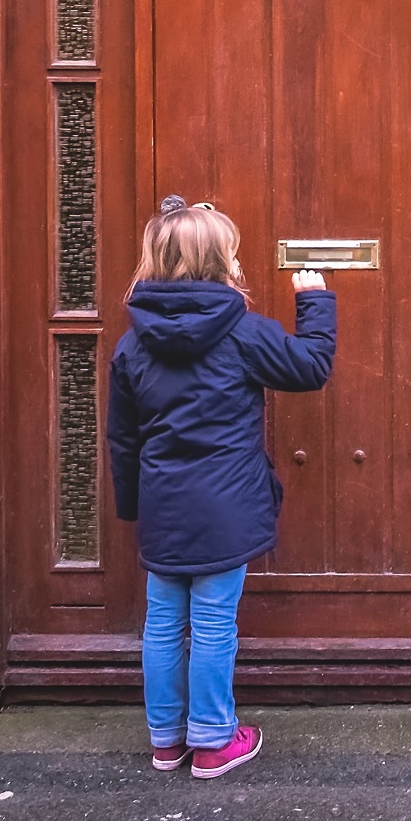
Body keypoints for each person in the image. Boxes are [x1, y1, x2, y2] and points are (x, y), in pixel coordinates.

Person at [107, 196, 337, 780]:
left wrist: (133, 505)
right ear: (221, 262)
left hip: (165, 505)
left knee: (162, 620)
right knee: (212, 623)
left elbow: (123, 438)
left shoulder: (132, 343)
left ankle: (166, 741)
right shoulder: (242, 331)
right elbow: (310, 367)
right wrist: (313, 301)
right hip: (226, 505)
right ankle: (212, 741)